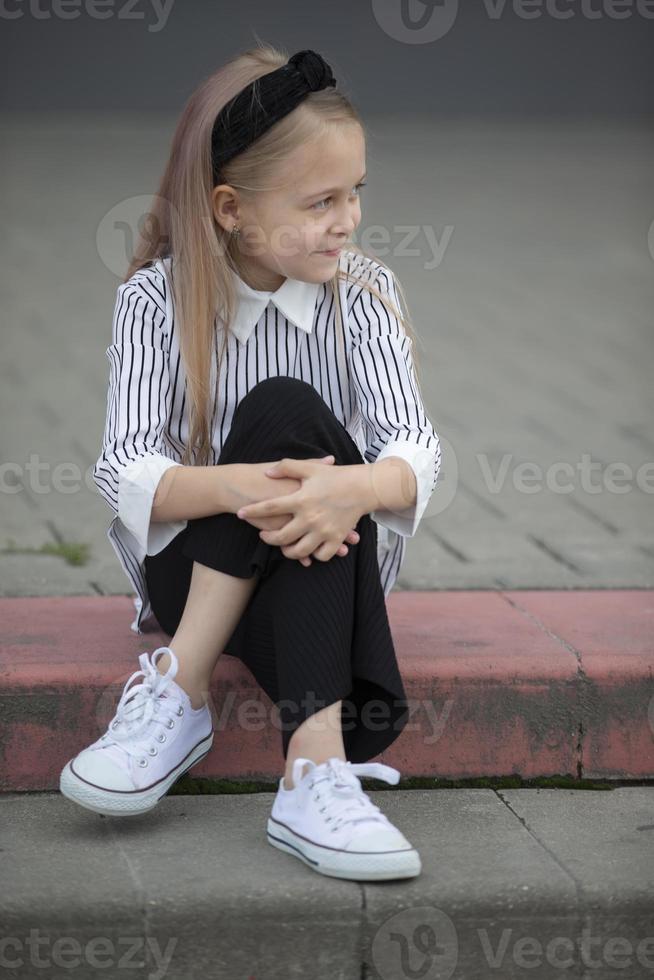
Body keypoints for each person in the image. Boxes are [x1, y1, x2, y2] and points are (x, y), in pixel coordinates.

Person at [59, 44, 441, 882]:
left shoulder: (365, 295)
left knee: (298, 426)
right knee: (281, 413)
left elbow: (415, 453)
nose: (348, 220)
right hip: (187, 576)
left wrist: (349, 486)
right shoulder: (156, 301)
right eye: (320, 201)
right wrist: (251, 483)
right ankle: (246, 724)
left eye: (356, 194)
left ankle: (280, 753)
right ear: (229, 207)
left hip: (329, 574)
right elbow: (124, 467)